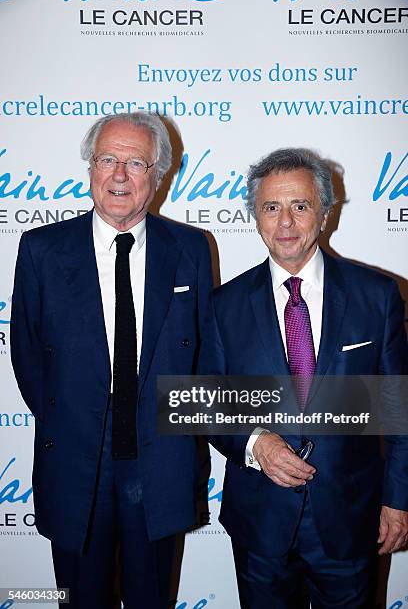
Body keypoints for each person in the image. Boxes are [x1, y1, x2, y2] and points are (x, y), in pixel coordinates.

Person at [10, 112, 213, 608]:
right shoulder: (41, 250)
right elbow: (28, 356)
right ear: (90, 168)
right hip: (76, 465)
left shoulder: (190, 249)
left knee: (152, 599)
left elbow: (203, 353)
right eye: (108, 159)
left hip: (161, 465)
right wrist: (76, 421)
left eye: (136, 163)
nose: (119, 175)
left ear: (157, 176)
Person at [200, 148, 408, 608]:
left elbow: (399, 411)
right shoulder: (224, 305)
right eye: (272, 207)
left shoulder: (377, 297)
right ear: (255, 216)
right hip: (260, 524)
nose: (286, 223)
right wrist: (256, 442)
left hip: (352, 521)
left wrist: (398, 500)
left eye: (301, 206)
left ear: (325, 213)